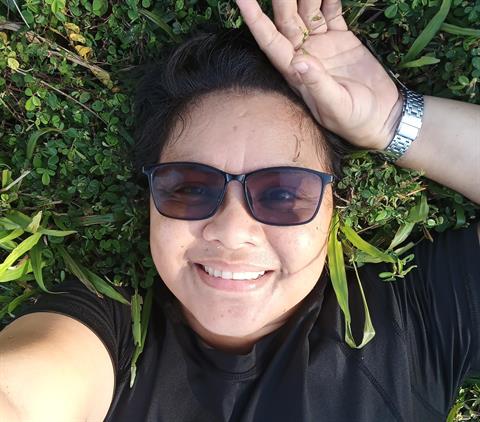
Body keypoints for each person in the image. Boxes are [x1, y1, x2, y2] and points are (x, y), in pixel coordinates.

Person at [0, 0, 478, 421]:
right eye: (190, 187)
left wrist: (392, 119)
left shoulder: (413, 326)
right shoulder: (100, 332)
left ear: (334, 206)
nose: (232, 230)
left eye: (283, 194)